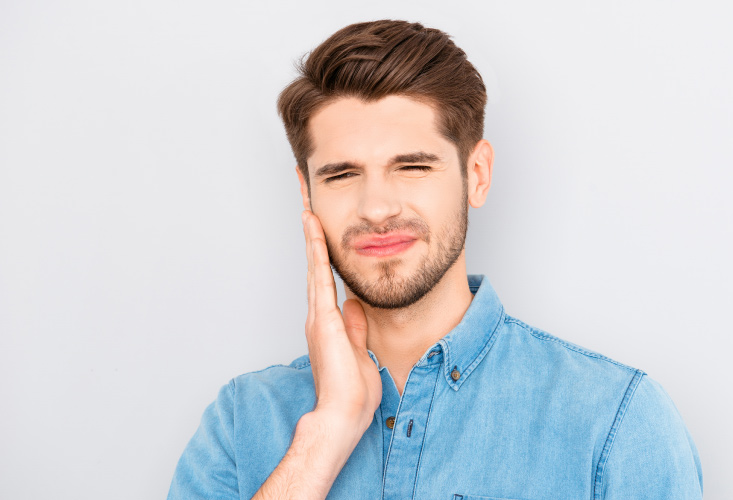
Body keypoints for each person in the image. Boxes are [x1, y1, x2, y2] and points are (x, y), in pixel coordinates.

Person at [167, 20, 703, 500]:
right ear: (306, 192)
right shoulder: (241, 422)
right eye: (342, 174)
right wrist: (324, 435)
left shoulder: (616, 422)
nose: (377, 207)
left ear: (478, 174)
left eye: (413, 167)